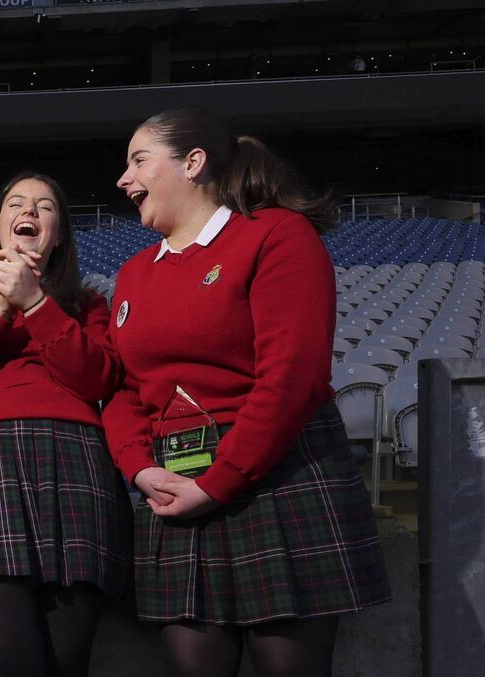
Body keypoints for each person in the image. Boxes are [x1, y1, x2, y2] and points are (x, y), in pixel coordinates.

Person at [105, 106, 391, 677]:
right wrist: (140, 468)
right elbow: (122, 390)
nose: (123, 179)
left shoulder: (278, 235)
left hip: (277, 476)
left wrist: (220, 481)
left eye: (138, 161)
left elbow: (291, 378)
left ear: (193, 164)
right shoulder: (133, 273)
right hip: (176, 485)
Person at [0, 171, 132, 677]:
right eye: (16, 203)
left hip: (74, 467)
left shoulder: (88, 304)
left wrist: (36, 303)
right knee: (9, 661)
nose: (29, 212)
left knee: (67, 661)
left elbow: (96, 378)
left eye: (45, 206)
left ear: (58, 233)